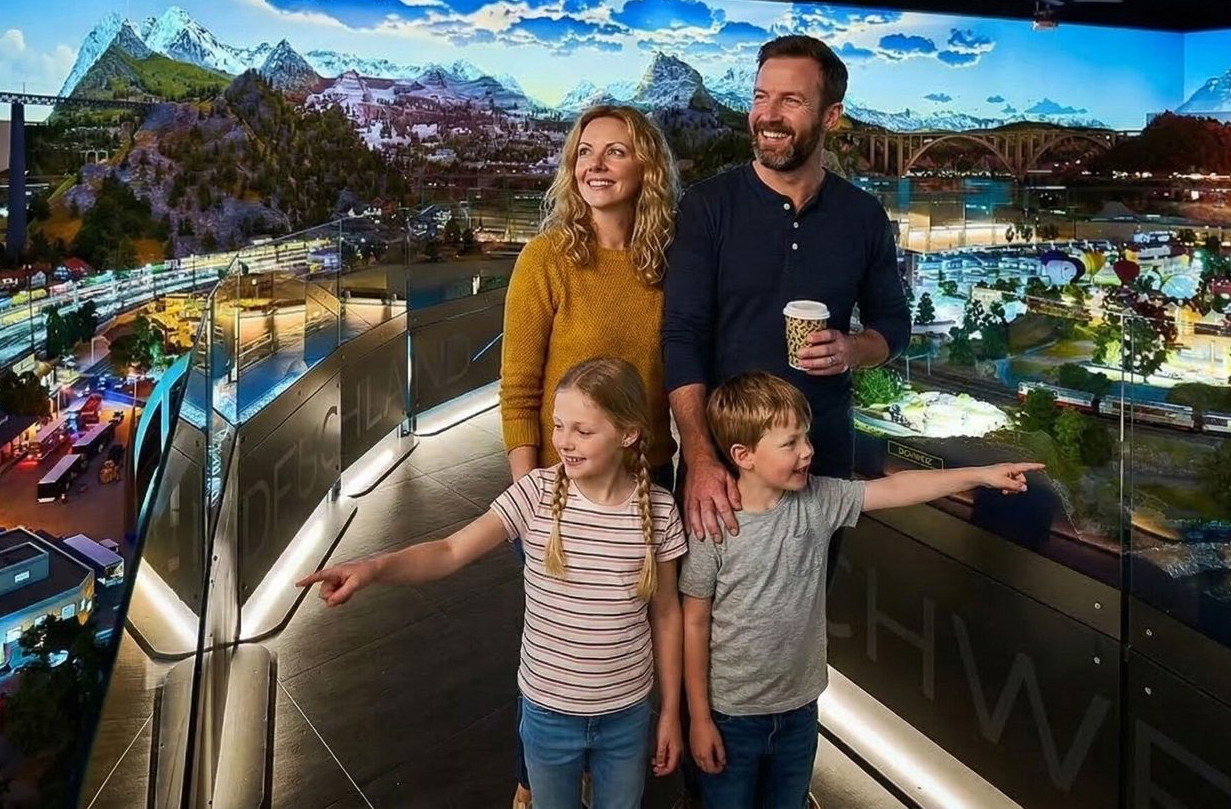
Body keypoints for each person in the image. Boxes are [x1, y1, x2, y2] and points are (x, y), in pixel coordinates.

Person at [299, 357, 687, 809]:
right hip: (547, 713)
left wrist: (671, 713)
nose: (564, 442)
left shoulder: (658, 511)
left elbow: (666, 614)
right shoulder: (536, 493)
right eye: (558, 426)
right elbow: (450, 551)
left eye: (583, 431)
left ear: (628, 433)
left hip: (627, 713)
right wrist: (374, 568)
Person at [681, 372, 1043, 809]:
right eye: (790, 443)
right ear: (744, 454)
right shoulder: (712, 526)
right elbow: (694, 621)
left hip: (799, 709)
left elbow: (894, 487)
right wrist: (698, 718)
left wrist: (981, 475)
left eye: (807, 437)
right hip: (731, 715)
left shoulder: (820, 501)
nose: (808, 451)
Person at [663, 34, 912, 543]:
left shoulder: (863, 217)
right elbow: (681, 336)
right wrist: (700, 458)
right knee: (704, 618)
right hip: (724, 468)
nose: (768, 116)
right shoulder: (707, 206)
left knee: (806, 611)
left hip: (822, 459)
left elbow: (894, 324)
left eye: (790, 101)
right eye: (760, 97)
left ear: (831, 116)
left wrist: (852, 348)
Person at [500, 105, 680, 807]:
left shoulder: (670, 262)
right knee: (554, 643)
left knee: (624, 633)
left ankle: (619, 760)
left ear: (648, 169)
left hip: (644, 485)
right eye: (585, 152)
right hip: (557, 486)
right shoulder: (545, 258)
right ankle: (531, 777)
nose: (596, 164)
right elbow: (518, 385)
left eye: (616, 152)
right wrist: (531, 499)